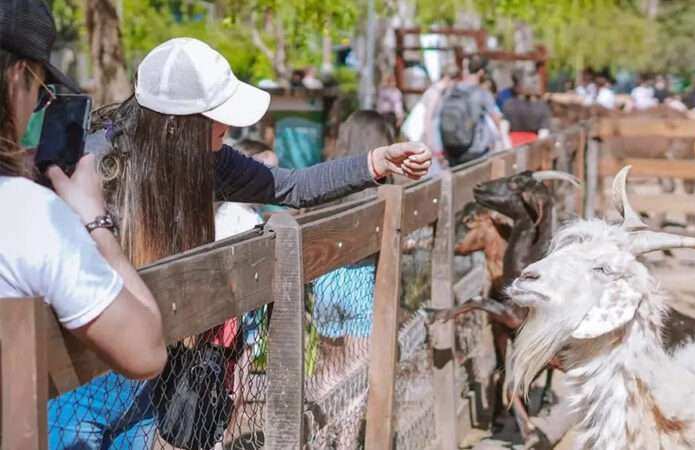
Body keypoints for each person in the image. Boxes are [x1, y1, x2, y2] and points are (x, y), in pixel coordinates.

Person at [48, 37, 432, 449]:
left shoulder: (205, 160)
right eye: (217, 117)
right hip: (78, 368)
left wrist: (374, 163)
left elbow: (291, 186)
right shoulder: (96, 164)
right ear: (179, 124)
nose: (227, 127)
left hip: (145, 368)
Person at [0, 1, 167, 448]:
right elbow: (146, 351)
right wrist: (94, 220)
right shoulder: (26, 213)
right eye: (41, 89)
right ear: (18, 77)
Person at [309, 111, 390, 396]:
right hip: (362, 278)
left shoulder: (328, 175)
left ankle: (320, 435)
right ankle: (344, 439)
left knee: (328, 366)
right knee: (355, 372)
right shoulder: (380, 186)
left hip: (326, 280)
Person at [439, 55, 503, 166]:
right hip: (475, 151)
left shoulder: (452, 89)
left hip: (451, 149)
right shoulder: (482, 93)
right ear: (481, 72)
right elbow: (496, 119)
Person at [501, 76, 552, 146]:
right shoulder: (542, 107)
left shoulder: (508, 104)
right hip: (533, 146)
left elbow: (503, 132)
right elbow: (544, 133)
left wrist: (509, 148)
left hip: (513, 146)